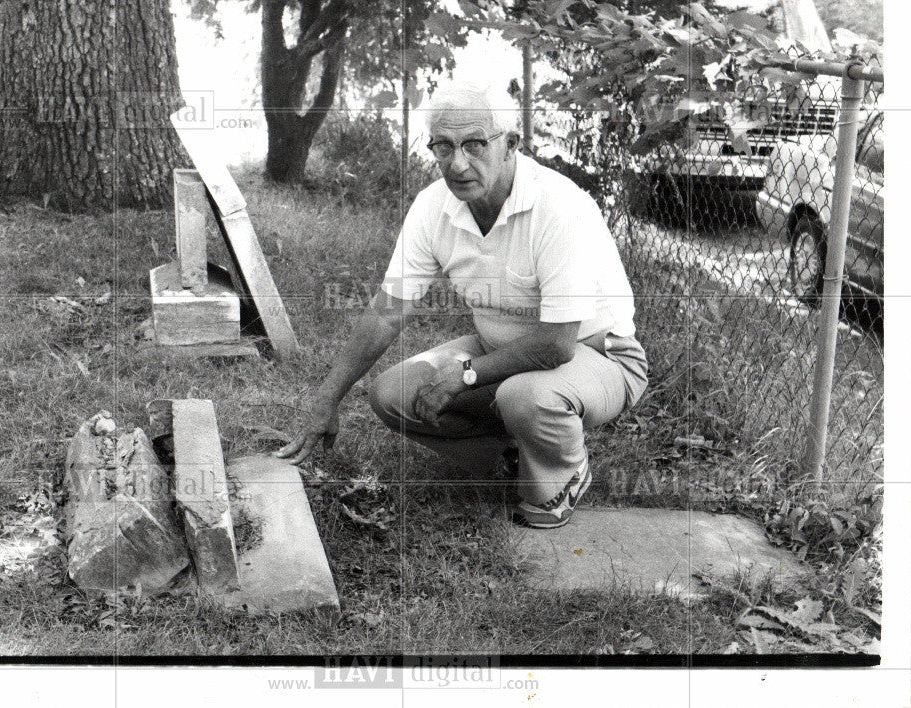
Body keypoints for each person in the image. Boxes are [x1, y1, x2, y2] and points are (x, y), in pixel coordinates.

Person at [276, 81, 648, 528]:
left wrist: (465, 373)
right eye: (443, 147)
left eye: (474, 145)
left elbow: (556, 346)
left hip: (597, 356)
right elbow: (386, 311)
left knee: (525, 397)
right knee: (392, 394)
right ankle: (512, 452)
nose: (457, 164)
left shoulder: (560, 206)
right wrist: (327, 398)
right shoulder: (434, 206)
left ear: (511, 144)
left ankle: (566, 472)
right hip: (500, 350)